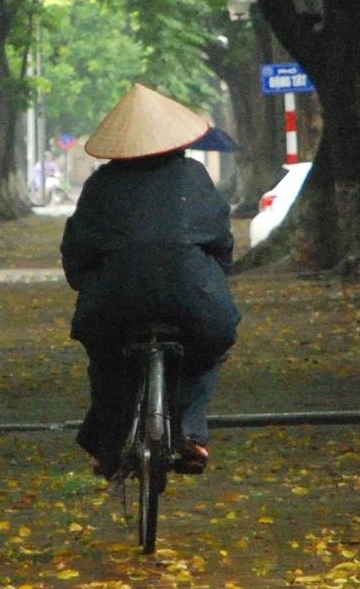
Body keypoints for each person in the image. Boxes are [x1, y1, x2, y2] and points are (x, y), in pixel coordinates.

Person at [62, 84, 240, 478]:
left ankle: (107, 446)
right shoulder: (193, 177)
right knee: (206, 350)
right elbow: (220, 240)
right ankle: (192, 433)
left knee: (107, 362)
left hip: (113, 301)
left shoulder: (101, 185)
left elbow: (77, 248)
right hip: (191, 297)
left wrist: (85, 282)